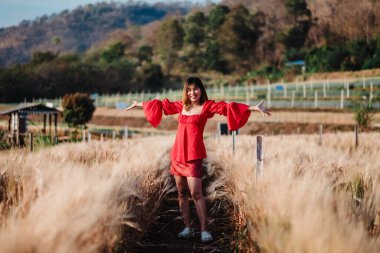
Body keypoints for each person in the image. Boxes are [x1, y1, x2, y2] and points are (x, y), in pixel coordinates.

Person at [125, 77, 271, 243]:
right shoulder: (182, 106)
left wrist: (253, 108)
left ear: (201, 90)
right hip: (178, 154)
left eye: (195, 89)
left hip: (194, 155)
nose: (192, 92)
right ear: (185, 92)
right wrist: (139, 104)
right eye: (189, 90)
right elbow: (160, 105)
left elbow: (227, 107)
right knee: (181, 192)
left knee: (196, 194)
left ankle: (204, 230)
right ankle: (187, 227)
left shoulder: (207, 106)